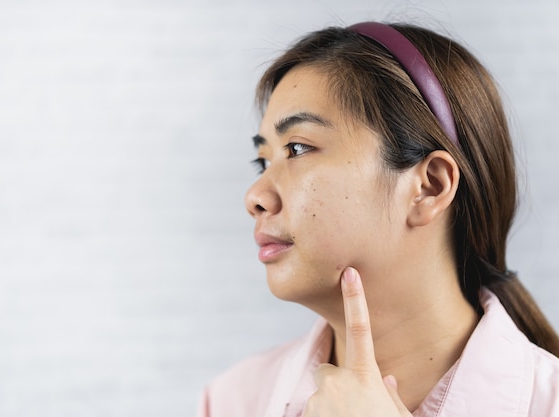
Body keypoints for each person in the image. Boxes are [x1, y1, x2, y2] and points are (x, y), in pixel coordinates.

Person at [197, 21, 559, 416]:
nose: (255, 198)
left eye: (297, 148)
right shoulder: (233, 401)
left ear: (429, 187)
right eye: (262, 161)